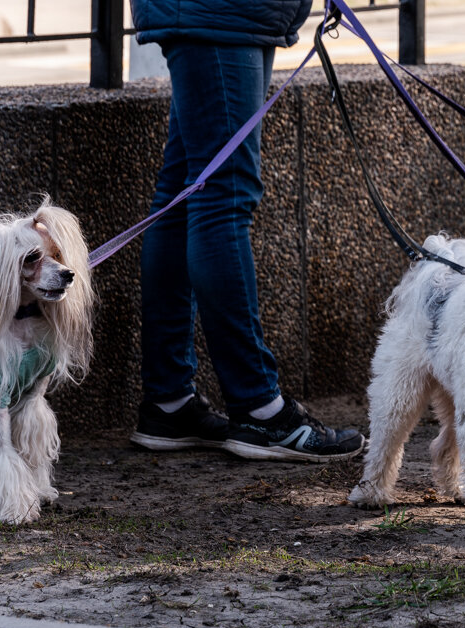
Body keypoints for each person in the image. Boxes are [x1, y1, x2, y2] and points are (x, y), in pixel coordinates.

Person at [127, 0, 364, 461]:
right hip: (220, 13)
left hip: (221, 13)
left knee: (185, 194)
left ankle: (169, 401)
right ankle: (258, 408)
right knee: (222, 197)